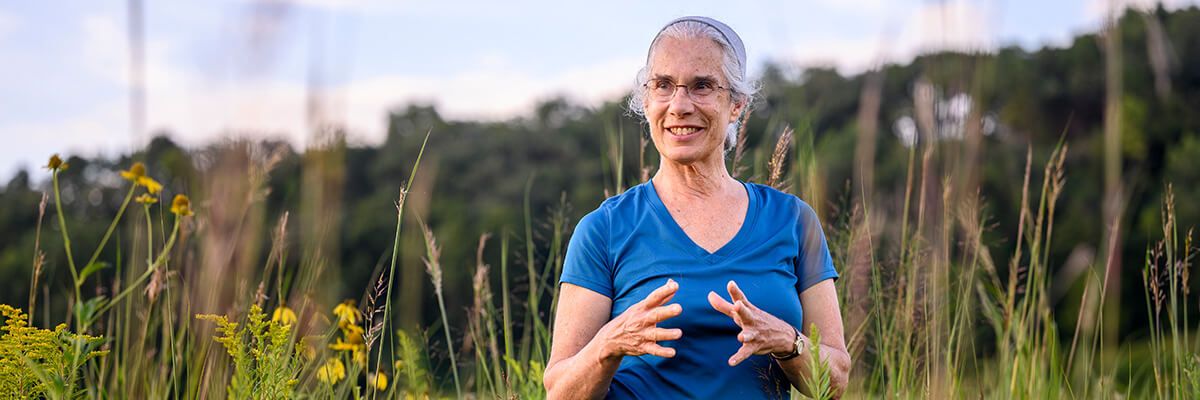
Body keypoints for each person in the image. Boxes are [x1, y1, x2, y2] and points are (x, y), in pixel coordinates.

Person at [542, 16, 851, 399]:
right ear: (646, 100)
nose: (679, 105)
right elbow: (560, 391)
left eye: (702, 86)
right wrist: (609, 343)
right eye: (663, 85)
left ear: (736, 104)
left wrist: (788, 340)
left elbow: (835, 382)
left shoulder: (792, 221)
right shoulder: (603, 229)